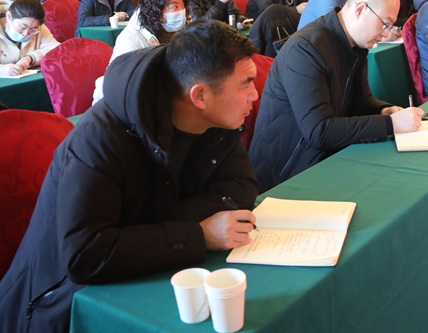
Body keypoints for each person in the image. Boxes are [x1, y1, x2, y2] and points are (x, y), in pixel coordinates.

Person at [0, 20, 260, 333]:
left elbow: (241, 186)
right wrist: (197, 234)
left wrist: (161, 229)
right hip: (61, 304)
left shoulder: (216, 121)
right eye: (245, 84)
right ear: (200, 95)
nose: (254, 95)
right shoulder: (101, 138)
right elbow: (85, 255)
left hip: (157, 267)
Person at [249, 0, 423, 191]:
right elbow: (319, 131)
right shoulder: (305, 49)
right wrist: (390, 124)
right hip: (289, 172)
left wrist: (384, 110)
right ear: (360, 9)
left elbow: (361, 100)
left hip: (328, 155)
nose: (386, 33)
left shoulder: (354, 45)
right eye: (384, 24)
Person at [92, 0, 189, 103]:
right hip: (126, 103)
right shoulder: (130, 41)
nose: (181, 11)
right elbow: (128, 88)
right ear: (155, 10)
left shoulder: (181, 31)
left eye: (182, 5)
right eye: (174, 7)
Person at [0, 0, 60, 76]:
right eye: (23, 27)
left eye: (32, 29)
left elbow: (57, 50)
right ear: (9, 16)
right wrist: (1, 70)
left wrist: (31, 58)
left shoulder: (39, 27)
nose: (26, 33)